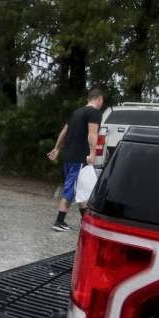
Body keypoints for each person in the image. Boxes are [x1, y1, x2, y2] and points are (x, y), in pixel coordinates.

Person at [47, 87, 104, 231]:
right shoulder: (94, 113)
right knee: (71, 190)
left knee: (80, 188)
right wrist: (92, 153)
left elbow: (64, 132)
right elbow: (92, 134)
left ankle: (85, 220)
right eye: (101, 101)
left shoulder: (76, 112)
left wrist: (57, 148)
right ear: (99, 99)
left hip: (69, 157)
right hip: (79, 158)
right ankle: (59, 222)